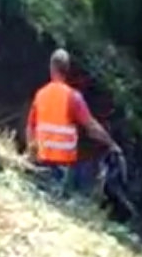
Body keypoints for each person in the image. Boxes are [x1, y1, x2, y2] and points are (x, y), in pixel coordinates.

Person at [26, 48, 122, 193]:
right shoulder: (73, 97)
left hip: (41, 159)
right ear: (67, 69)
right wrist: (111, 143)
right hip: (61, 165)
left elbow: (30, 128)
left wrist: (31, 152)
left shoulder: (41, 94)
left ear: (51, 67)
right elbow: (92, 127)